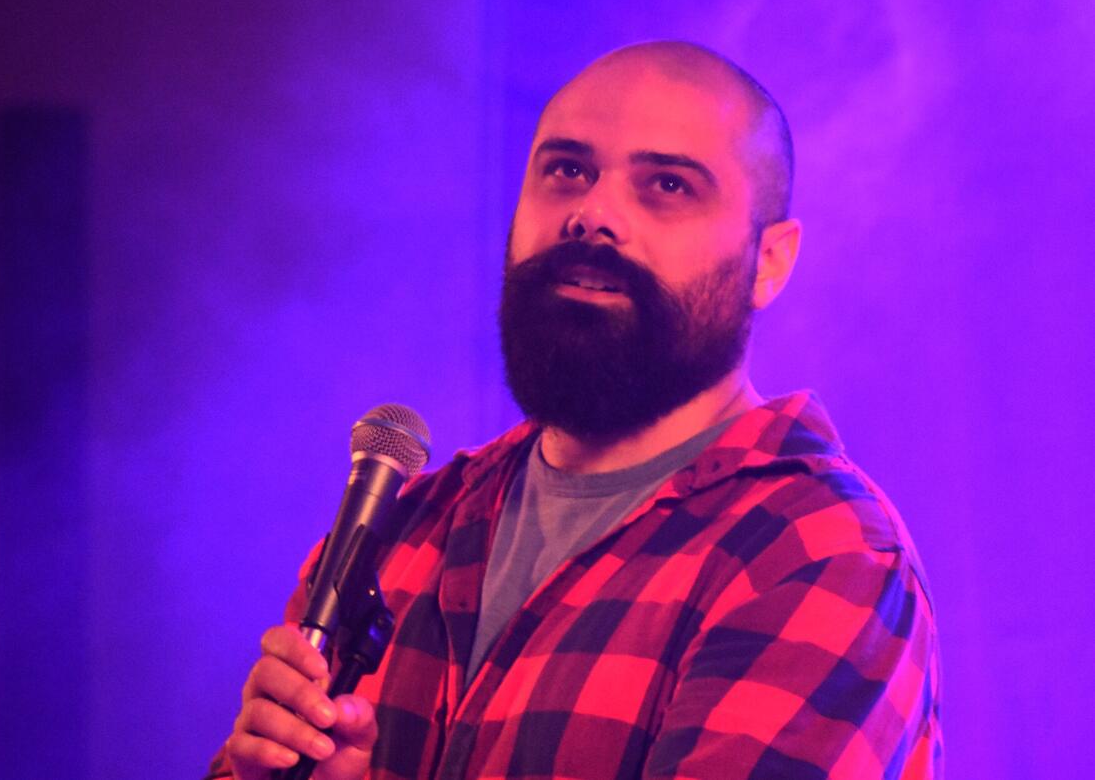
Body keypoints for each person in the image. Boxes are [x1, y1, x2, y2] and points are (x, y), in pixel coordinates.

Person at [207, 41, 941, 780]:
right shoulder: (404, 530)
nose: (593, 214)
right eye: (567, 172)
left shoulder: (816, 552)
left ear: (769, 261)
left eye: (667, 185)